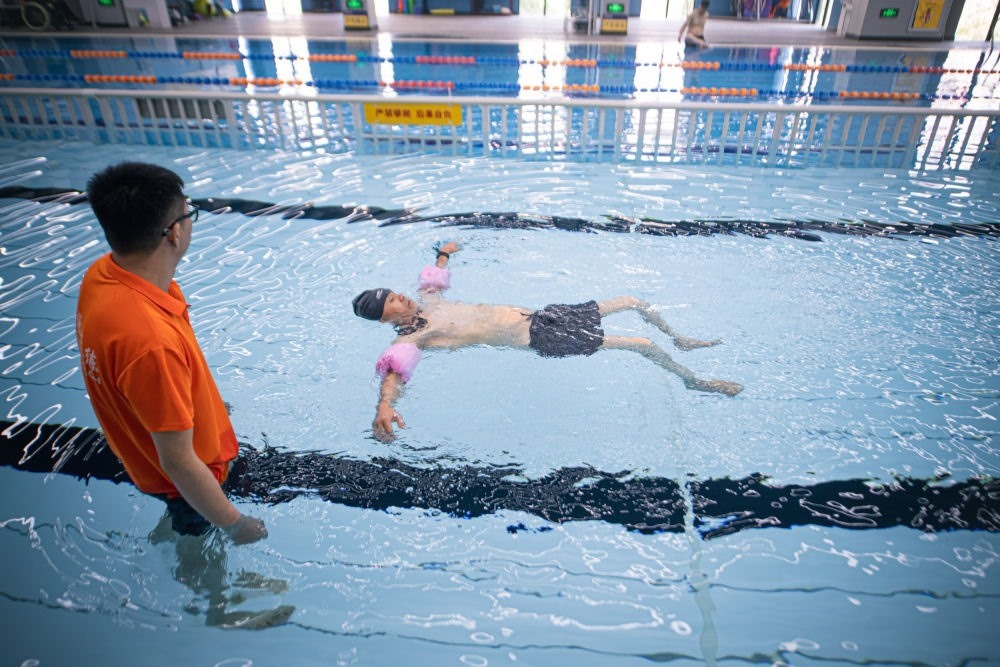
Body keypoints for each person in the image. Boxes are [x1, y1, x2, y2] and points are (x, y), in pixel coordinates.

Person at [353, 242, 743, 441]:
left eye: (395, 293)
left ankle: (680, 340)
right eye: (391, 302)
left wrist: (443, 254)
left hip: (544, 315)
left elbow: (434, 277)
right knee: (641, 343)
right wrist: (384, 405)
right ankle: (695, 381)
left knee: (633, 301)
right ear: (384, 317)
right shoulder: (416, 337)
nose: (400, 298)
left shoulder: (428, 302)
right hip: (542, 336)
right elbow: (395, 372)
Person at [76, 162, 266, 544]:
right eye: (188, 212)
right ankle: (203, 582)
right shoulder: (151, 344)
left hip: (152, 459)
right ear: (174, 232)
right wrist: (235, 524)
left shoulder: (103, 275)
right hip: (187, 484)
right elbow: (179, 463)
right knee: (200, 550)